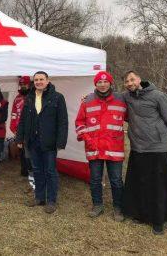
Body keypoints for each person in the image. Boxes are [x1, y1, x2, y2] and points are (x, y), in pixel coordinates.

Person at [121, 70, 167, 235]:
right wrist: (87, 97)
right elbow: (110, 98)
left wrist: (159, 132)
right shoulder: (127, 97)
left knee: (157, 185)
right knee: (141, 182)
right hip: (138, 147)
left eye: (132, 79)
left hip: (156, 148)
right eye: (127, 81)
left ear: (139, 79)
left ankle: (159, 220)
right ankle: (142, 214)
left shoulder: (158, 95)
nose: (130, 83)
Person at [75, 71, 126, 221]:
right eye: (99, 82)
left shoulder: (121, 100)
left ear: (110, 83)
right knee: (95, 179)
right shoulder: (87, 100)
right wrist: (87, 138)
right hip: (94, 148)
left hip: (114, 148)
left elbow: (131, 116)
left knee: (116, 180)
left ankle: (118, 207)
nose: (102, 85)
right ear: (95, 84)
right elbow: (79, 122)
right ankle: (97, 205)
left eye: (105, 82)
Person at [16, 71, 68, 214]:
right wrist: (20, 138)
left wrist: (61, 141)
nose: (38, 82)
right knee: (37, 170)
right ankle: (39, 197)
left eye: (41, 79)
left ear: (47, 80)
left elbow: (63, 121)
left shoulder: (57, 97)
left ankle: (51, 200)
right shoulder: (29, 98)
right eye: (36, 80)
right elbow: (23, 120)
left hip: (49, 141)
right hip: (33, 141)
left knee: (50, 171)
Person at [10, 76, 34, 185]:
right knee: (22, 150)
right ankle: (24, 171)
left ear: (29, 85)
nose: (22, 86)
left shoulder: (34, 96)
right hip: (20, 129)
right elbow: (14, 114)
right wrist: (13, 127)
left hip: (31, 129)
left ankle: (32, 171)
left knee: (30, 151)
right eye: (21, 84)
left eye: (25, 84)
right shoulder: (17, 98)